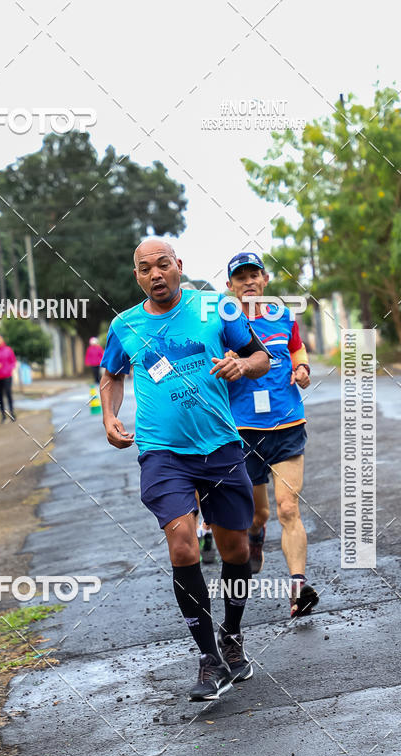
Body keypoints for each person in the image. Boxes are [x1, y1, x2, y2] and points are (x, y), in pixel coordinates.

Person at [100, 238, 271, 701]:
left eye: (162, 265)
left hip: (219, 445)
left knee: (235, 549)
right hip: (162, 452)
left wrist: (242, 365)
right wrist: (109, 414)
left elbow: (262, 357)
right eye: (144, 269)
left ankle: (231, 638)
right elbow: (111, 374)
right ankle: (208, 659)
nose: (155, 274)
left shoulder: (218, 307)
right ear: (136, 277)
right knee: (182, 545)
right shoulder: (125, 326)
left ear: (179, 266)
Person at [224, 251, 319, 618]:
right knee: (257, 515)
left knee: (288, 507)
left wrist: (303, 367)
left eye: (254, 275)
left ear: (265, 280)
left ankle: (298, 588)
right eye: (240, 277)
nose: (248, 282)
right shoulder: (222, 324)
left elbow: (296, 348)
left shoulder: (283, 316)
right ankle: (256, 536)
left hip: (287, 423)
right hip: (244, 430)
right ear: (229, 286)